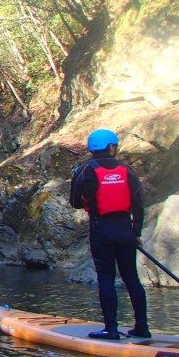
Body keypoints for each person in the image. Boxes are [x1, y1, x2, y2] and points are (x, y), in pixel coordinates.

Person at [69, 129, 150, 339]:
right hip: (125, 231)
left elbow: (75, 202)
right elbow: (138, 204)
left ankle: (111, 329)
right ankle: (142, 327)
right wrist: (137, 232)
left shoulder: (85, 170)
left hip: (101, 231)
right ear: (111, 147)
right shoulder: (127, 170)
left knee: (106, 279)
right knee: (131, 277)